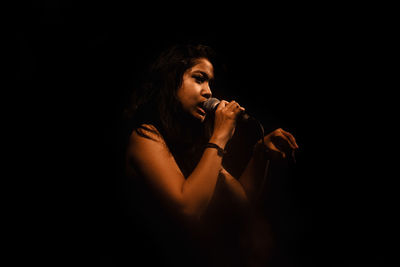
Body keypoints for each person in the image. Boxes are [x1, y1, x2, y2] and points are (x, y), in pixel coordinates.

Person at [120, 43, 299, 267]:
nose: (209, 92)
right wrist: (220, 137)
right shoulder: (145, 136)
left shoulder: (195, 144)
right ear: (170, 80)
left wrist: (260, 154)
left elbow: (241, 202)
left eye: (209, 82)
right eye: (199, 78)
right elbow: (188, 209)